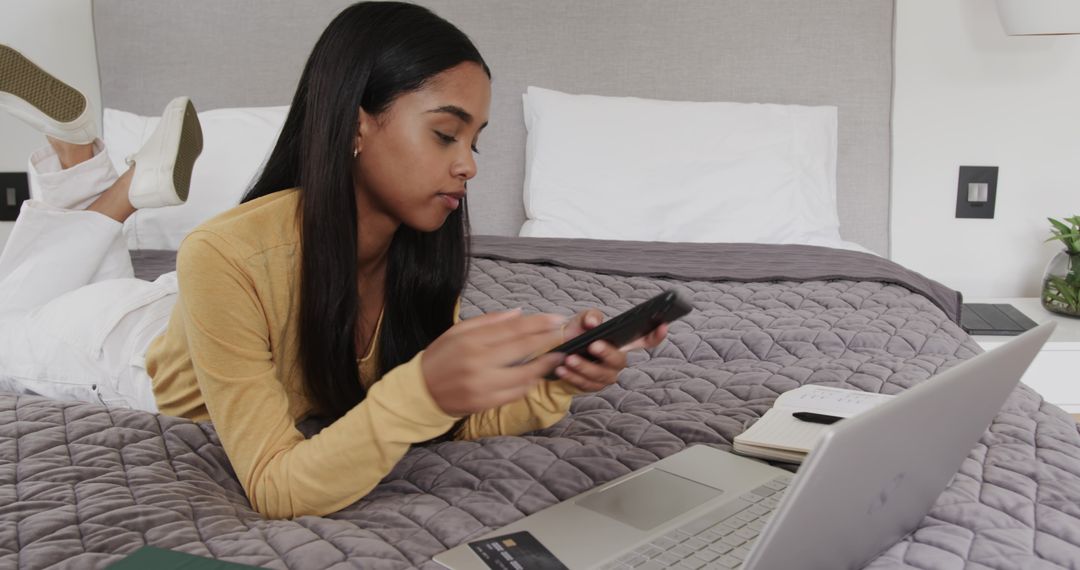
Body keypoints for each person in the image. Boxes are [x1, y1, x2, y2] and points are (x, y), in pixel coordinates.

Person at [0, 1, 668, 520]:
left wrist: (554, 378)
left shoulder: (419, 253)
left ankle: (88, 163)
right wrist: (420, 389)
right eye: (445, 134)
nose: (468, 165)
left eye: (475, 141)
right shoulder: (222, 251)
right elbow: (275, 487)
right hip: (114, 350)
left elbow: (447, 418)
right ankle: (104, 177)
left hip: (207, 308)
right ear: (355, 124)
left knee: (78, 275)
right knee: (11, 316)